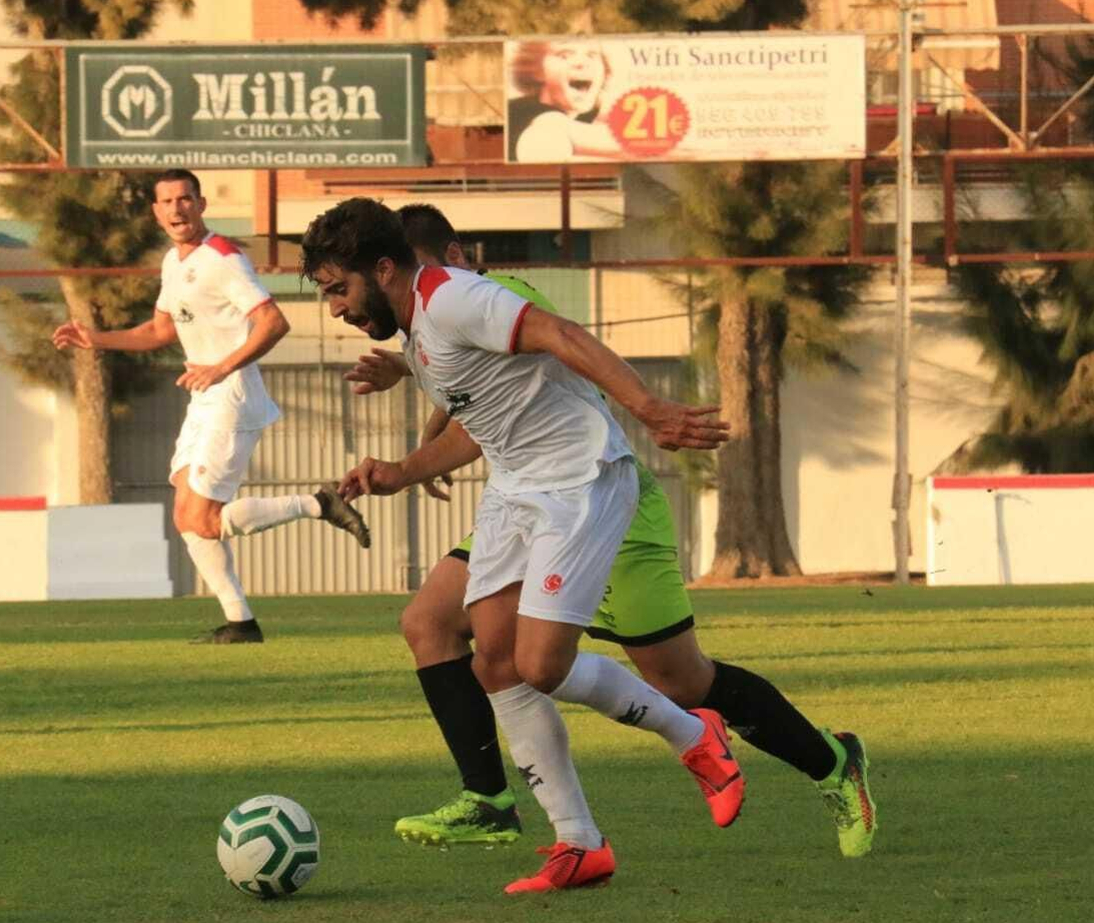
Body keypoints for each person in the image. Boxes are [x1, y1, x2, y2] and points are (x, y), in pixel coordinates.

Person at [351, 204, 878, 860]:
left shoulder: (483, 296)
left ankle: (830, 759)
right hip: (530, 500)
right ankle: (490, 797)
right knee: (434, 622)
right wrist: (405, 412)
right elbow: (467, 390)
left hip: (601, 502)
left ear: (447, 258)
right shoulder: (425, 326)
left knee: (681, 679)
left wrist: (652, 408)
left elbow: (527, 350)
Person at [303, 198, 742, 895]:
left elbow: (560, 333)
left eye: (337, 289)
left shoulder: (454, 300)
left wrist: (650, 407)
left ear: (382, 268)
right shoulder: (417, 328)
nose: (334, 309)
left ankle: (694, 735)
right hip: (515, 491)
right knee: (496, 660)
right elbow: (480, 425)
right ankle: (579, 842)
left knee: (539, 662)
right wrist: (399, 472)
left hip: (580, 480)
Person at [52, 169, 371, 644]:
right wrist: (94, 339)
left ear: (201, 205)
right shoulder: (173, 263)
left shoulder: (224, 258)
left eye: (186, 199)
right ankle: (240, 622)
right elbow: (159, 331)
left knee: (203, 518)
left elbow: (272, 322)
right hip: (204, 393)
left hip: (231, 391)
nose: (177, 209)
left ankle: (318, 503)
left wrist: (220, 368)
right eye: (167, 202)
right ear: (156, 212)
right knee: (188, 516)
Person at [506, 40, 627, 163]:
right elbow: (628, 144)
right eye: (564, 55)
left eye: (592, 55)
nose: (581, 63)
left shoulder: (585, 111)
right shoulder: (532, 114)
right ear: (538, 70)